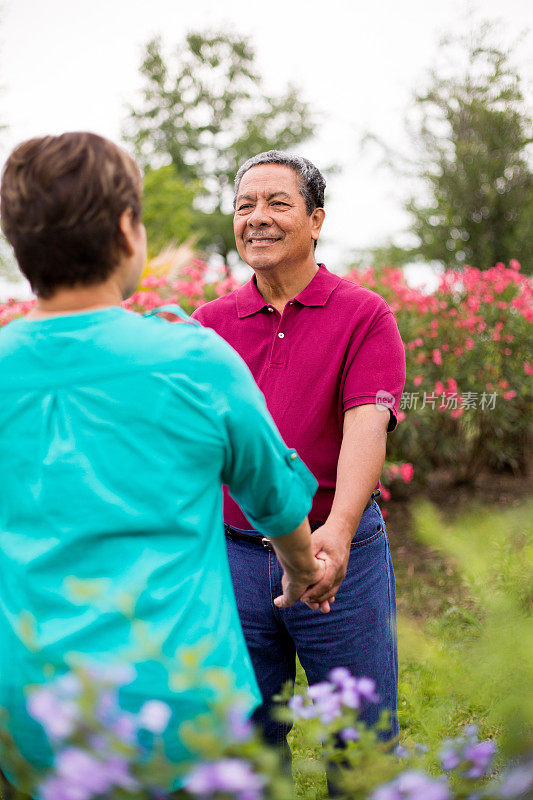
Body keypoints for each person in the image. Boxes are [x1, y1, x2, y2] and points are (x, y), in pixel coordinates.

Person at [0, 133, 331, 795]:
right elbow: (276, 499)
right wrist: (301, 571)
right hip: (182, 707)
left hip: (29, 712)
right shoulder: (195, 360)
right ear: (128, 230)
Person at [192, 150, 406, 756]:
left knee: (359, 739)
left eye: (277, 203)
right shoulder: (210, 324)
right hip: (233, 558)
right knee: (246, 742)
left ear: (316, 220)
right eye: (244, 205)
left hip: (340, 549)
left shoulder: (364, 315)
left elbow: (369, 419)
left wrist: (334, 535)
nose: (257, 217)